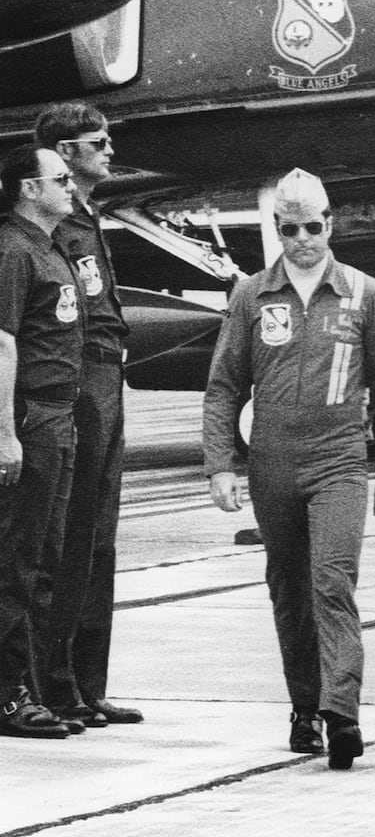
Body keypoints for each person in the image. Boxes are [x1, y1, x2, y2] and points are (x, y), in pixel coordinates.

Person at [202, 168, 375, 770]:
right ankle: (304, 706)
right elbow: (223, 388)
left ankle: (342, 712)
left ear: (330, 225)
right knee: (289, 589)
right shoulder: (251, 296)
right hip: (272, 462)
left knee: (332, 580)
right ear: (277, 230)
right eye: (289, 229)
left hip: (339, 460)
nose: (302, 240)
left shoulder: (364, 292)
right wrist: (220, 465)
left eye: (313, 227)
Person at [31, 105, 141, 729]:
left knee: (100, 538)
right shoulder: (54, 223)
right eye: (98, 142)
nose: (110, 150)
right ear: (65, 153)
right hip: (82, 380)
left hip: (109, 377)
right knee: (71, 535)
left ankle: (88, 683)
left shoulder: (89, 217)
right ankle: (57, 681)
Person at [0, 147, 84, 739]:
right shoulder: (12, 250)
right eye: (62, 178)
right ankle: (8, 697)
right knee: (17, 563)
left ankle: (32, 687)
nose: (71, 184)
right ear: (30, 189)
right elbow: (1, 346)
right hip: (31, 418)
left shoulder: (49, 245)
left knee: (45, 561)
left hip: (60, 415)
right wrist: (4, 433)